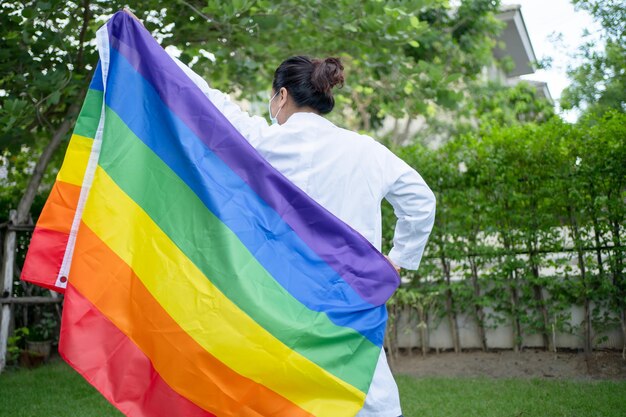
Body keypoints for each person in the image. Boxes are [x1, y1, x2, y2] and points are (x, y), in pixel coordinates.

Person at [174, 54, 436, 417]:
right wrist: (398, 261)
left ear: (282, 96)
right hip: (347, 299)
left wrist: (151, 47)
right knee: (365, 393)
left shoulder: (260, 142)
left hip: (276, 300)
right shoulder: (366, 151)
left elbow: (207, 100)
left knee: (275, 395)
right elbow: (421, 201)